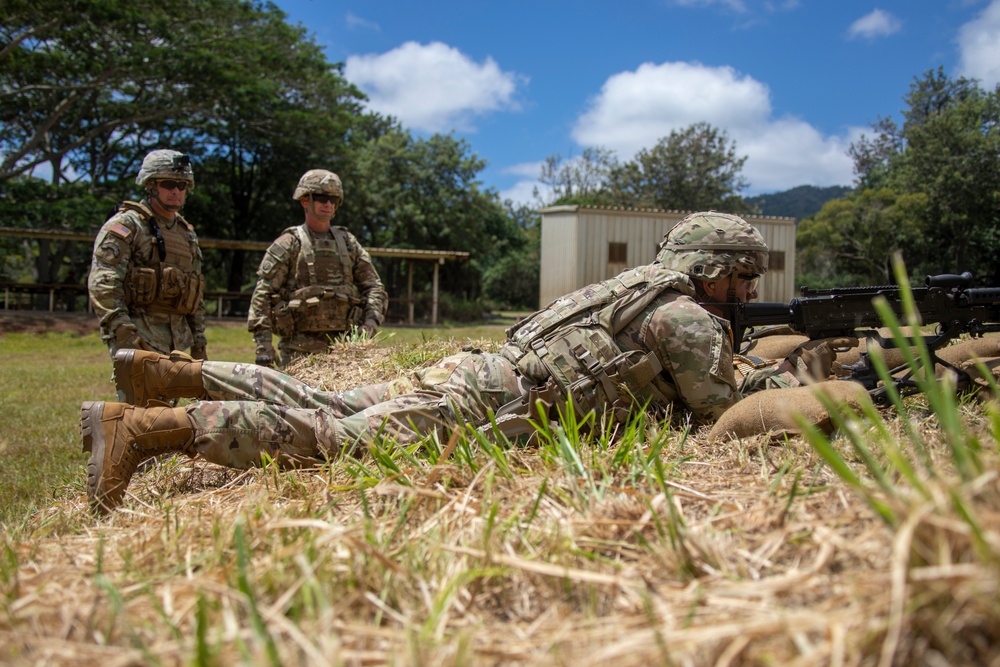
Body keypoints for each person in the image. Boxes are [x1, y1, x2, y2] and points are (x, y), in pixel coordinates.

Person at [81, 212, 839, 514]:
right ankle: (147, 428)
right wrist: (803, 372)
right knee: (334, 436)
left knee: (327, 401)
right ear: (711, 266)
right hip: (497, 402)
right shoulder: (684, 317)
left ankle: (169, 371)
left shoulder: (639, 287)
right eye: (741, 276)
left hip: (485, 373)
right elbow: (720, 410)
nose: (746, 290)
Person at [247, 169, 388, 367]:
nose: (328, 204)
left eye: (333, 199)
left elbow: (374, 287)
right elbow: (263, 294)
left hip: (345, 350)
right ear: (305, 200)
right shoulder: (289, 243)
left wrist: (368, 327)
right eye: (321, 198)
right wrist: (263, 346)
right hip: (298, 351)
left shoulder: (348, 243)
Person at [88, 149, 207, 361]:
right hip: (138, 332)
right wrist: (124, 331)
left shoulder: (186, 233)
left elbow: (195, 290)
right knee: (141, 394)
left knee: (170, 395)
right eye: (168, 185)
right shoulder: (128, 225)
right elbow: (103, 282)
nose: (176, 191)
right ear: (150, 186)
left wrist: (199, 341)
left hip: (177, 339)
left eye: (182, 186)